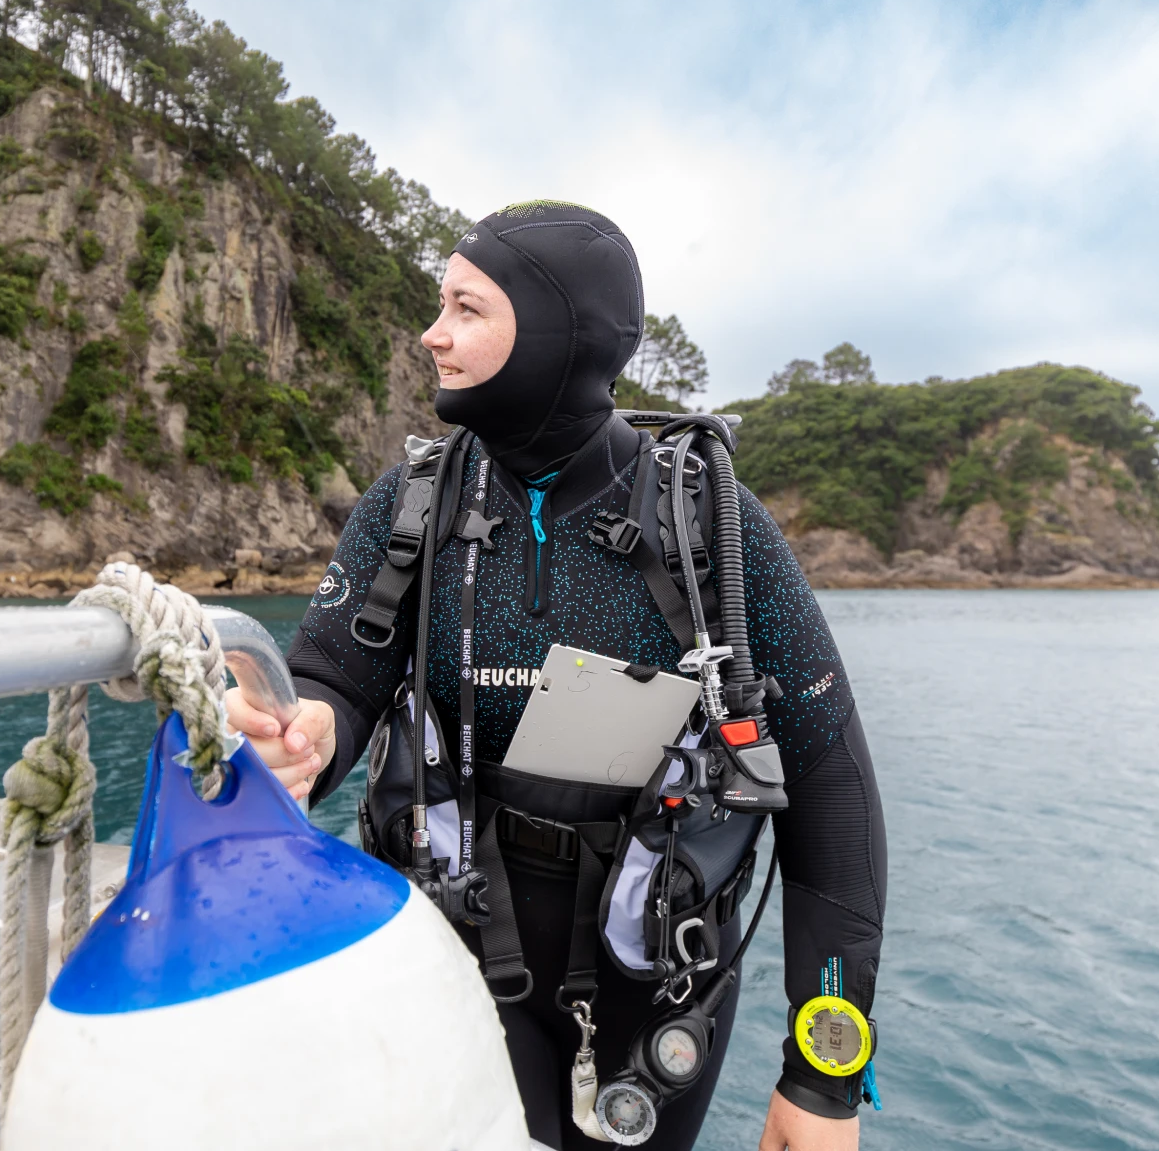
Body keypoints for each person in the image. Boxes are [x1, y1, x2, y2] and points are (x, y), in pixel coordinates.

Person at [225, 201, 886, 1150]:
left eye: (465, 307)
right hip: (451, 951)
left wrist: (826, 1077)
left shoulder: (709, 523)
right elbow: (335, 671)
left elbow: (831, 783)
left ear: (555, 336)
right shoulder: (417, 501)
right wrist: (310, 734)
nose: (432, 332)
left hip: (653, 981)